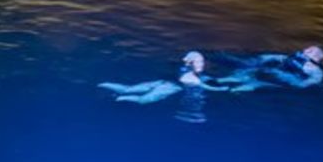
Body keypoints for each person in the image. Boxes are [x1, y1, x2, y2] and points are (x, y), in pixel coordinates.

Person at [98, 51, 229, 104]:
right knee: (143, 101)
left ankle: (109, 86)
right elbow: (204, 85)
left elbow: (203, 79)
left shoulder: (185, 69)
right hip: (169, 87)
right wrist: (222, 89)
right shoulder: (192, 77)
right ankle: (122, 98)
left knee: (130, 88)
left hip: (162, 82)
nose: (202, 64)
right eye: (199, 62)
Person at [210, 45, 323, 92]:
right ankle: (226, 81)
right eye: (307, 48)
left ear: (316, 58)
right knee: (252, 70)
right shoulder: (292, 58)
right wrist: (262, 58)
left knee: (258, 81)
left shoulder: (316, 71)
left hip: (285, 80)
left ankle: (237, 88)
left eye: (310, 51)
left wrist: (283, 76)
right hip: (272, 73)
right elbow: (277, 56)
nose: (305, 50)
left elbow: (303, 84)